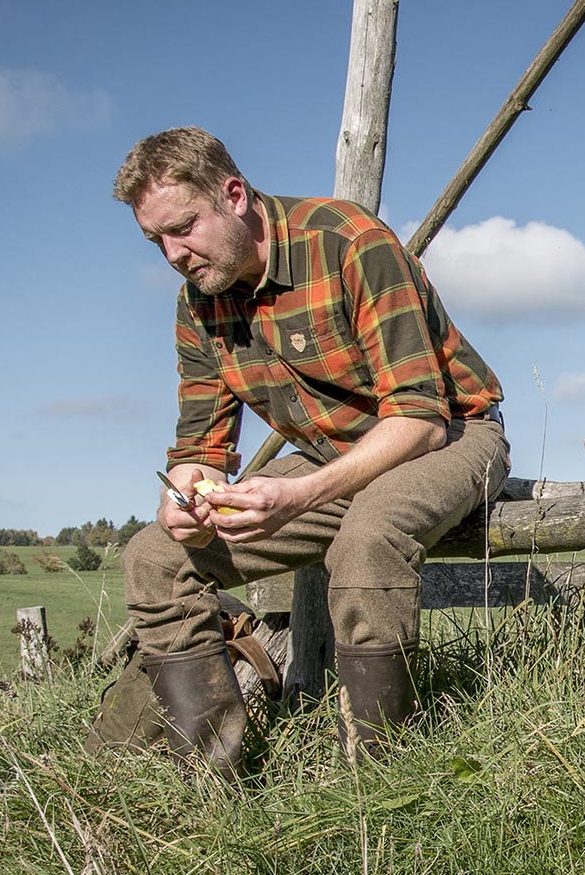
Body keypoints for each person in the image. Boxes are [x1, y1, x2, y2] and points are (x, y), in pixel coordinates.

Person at [110, 126, 510, 777]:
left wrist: (297, 492)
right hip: (336, 460)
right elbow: (200, 445)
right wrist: (184, 492)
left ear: (233, 194)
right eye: (156, 240)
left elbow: (420, 419)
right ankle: (218, 787)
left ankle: (382, 785)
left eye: (183, 227)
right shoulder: (199, 307)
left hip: (454, 433)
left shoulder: (349, 243)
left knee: (369, 533)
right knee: (154, 557)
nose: (173, 254)